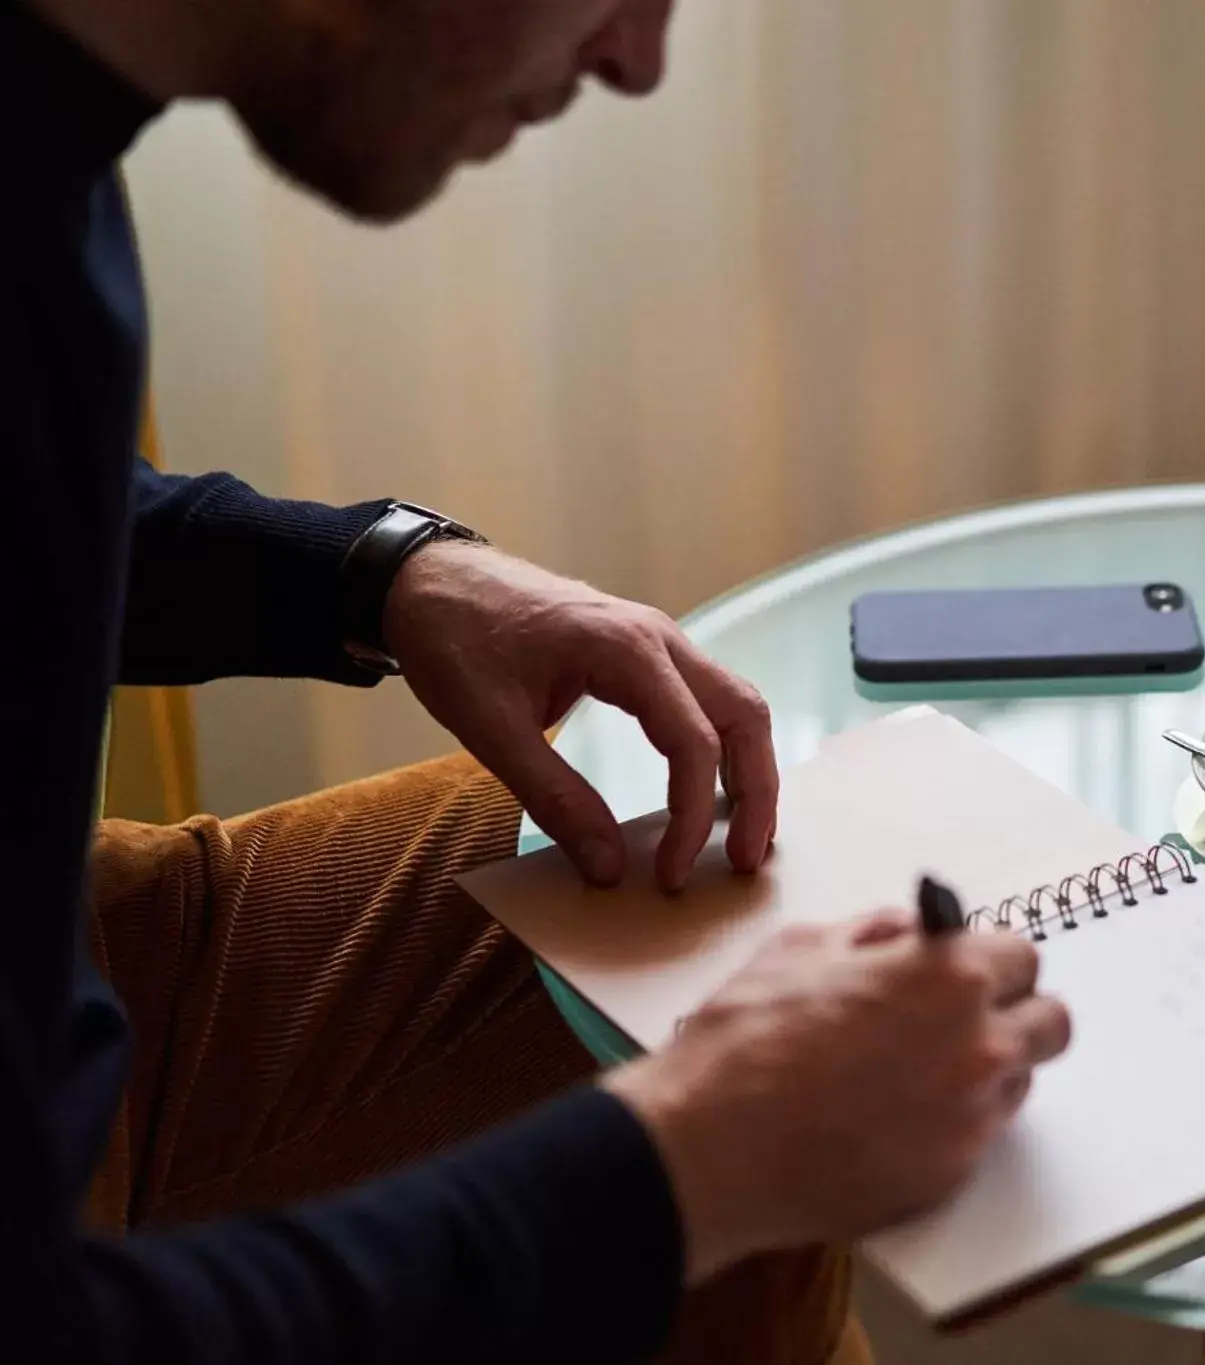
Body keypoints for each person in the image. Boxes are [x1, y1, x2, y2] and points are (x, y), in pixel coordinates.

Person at [1, 0, 1073, 1359]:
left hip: (85, 955)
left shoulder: (49, 123)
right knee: (730, 1118)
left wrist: (376, 574)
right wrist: (688, 1165)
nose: (638, 61)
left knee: (704, 919)